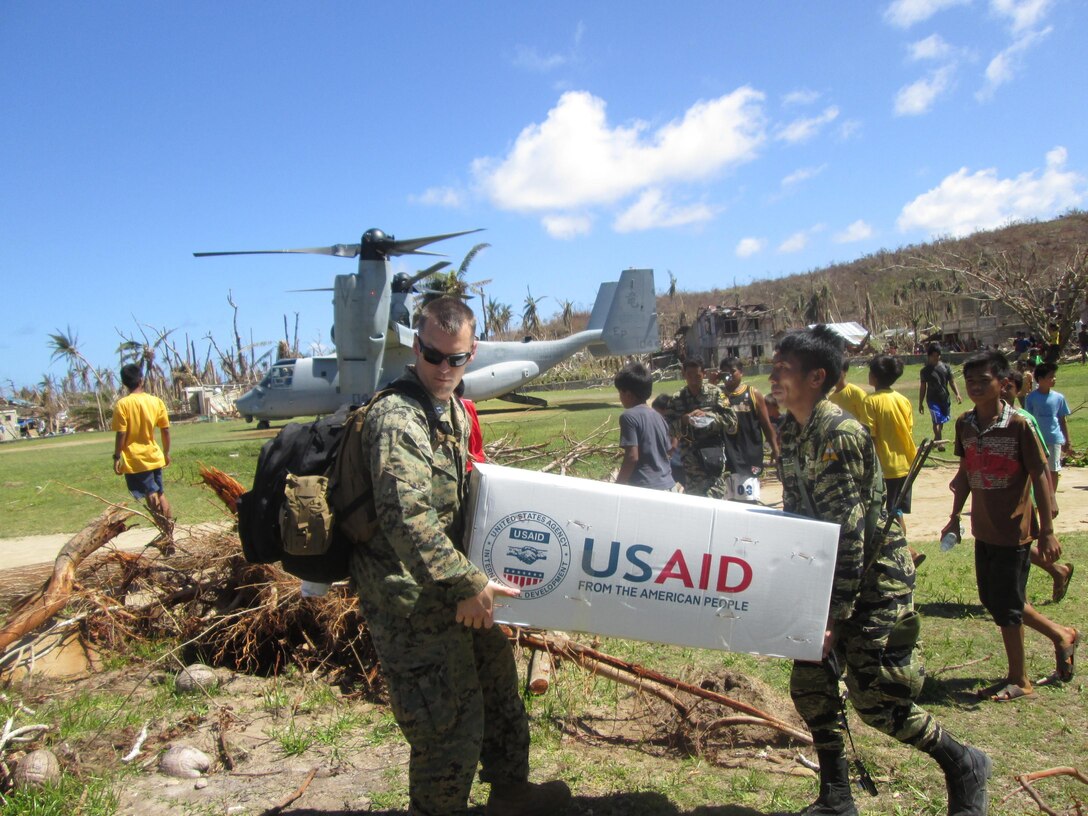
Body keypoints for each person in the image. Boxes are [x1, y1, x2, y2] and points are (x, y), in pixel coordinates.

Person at [346, 297, 570, 816]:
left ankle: (511, 794)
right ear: (416, 346)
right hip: (411, 601)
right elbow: (407, 518)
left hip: (457, 585)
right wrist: (466, 584)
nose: (445, 368)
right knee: (447, 726)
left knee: (498, 695)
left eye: (458, 358)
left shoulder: (451, 407)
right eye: (434, 355)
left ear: (472, 353)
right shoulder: (397, 418)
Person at [771, 325, 989, 816]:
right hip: (825, 585)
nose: (774, 377)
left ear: (816, 377)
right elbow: (798, 519)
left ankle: (964, 763)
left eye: (784, 369)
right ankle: (836, 797)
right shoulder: (791, 431)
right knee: (811, 686)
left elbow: (849, 535)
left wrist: (830, 615)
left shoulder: (839, 434)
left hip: (873, 585)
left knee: (879, 703)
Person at [942, 351, 1079, 703]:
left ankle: (1020, 678)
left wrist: (1047, 530)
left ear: (1003, 384)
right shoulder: (965, 424)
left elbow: (1040, 474)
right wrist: (954, 517)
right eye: (969, 381)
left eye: (982, 380)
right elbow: (964, 475)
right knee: (995, 599)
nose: (974, 387)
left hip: (1013, 530)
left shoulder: (1020, 424)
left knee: (1008, 605)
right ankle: (1061, 633)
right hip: (983, 528)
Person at [1001, 371, 1075, 603]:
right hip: (1006, 494)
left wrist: (1050, 498)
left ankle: (1022, 595)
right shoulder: (992, 418)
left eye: (1009, 387)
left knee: (1015, 543)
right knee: (1012, 541)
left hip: (1027, 494)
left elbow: (1040, 464)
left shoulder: (1024, 419)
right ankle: (1057, 571)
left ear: (1018, 390)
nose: (1004, 391)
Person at [112, 363, 173, 535]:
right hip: (154, 455)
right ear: (141, 379)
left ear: (124, 382)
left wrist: (117, 456)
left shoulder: (123, 405)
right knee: (159, 493)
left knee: (151, 494)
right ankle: (169, 532)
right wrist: (166, 452)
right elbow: (165, 429)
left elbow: (121, 434)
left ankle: (165, 533)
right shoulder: (156, 401)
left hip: (136, 459)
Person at [663, 359, 737, 498]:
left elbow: (732, 423)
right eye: (689, 376)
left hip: (712, 459)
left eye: (697, 376)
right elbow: (667, 429)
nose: (693, 380)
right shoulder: (677, 399)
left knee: (716, 501)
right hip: (690, 464)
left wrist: (709, 417)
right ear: (683, 374)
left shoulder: (716, 394)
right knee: (696, 503)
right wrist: (684, 420)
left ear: (704, 374)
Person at [717, 357, 779, 503]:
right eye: (725, 372)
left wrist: (775, 450)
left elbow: (766, 424)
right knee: (728, 502)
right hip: (726, 457)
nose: (729, 376)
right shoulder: (717, 395)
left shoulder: (753, 393)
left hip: (748, 456)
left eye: (733, 371)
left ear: (741, 373)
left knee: (747, 501)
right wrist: (713, 382)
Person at [613, 362, 677, 491]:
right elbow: (670, 448)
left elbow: (632, 457)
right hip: (669, 485)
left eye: (620, 392)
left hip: (646, 487)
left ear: (628, 394)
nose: (620, 397)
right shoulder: (658, 416)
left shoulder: (628, 417)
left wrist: (617, 487)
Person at [1024, 362, 1072, 515]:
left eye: (1054, 376)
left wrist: (1067, 440)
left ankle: (1051, 499)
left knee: (1053, 470)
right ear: (1040, 379)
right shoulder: (1031, 398)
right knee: (1036, 471)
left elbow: (1062, 419)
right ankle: (1037, 501)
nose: (1054, 379)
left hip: (1054, 439)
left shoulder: (1059, 398)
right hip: (1037, 440)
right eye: (1050, 377)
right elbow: (1028, 419)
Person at [919, 343, 962, 443]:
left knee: (941, 421)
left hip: (944, 398)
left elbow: (952, 382)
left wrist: (957, 394)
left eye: (937, 355)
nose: (935, 358)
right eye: (933, 355)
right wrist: (920, 403)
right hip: (932, 400)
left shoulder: (946, 368)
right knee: (936, 421)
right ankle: (940, 443)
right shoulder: (925, 371)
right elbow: (923, 387)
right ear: (929, 356)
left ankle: (936, 439)